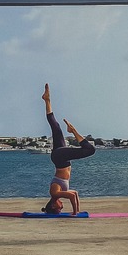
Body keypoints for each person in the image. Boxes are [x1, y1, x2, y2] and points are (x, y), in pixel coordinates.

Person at [41, 83, 95, 215]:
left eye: (60, 208)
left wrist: (75, 213)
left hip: (60, 159)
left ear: (54, 206)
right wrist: (77, 211)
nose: (62, 207)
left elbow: (71, 196)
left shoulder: (54, 193)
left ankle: (73, 131)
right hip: (60, 157)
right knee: (56, 128)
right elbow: (74, 194)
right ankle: (47, 100)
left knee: (90, 150)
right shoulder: (58, 194)